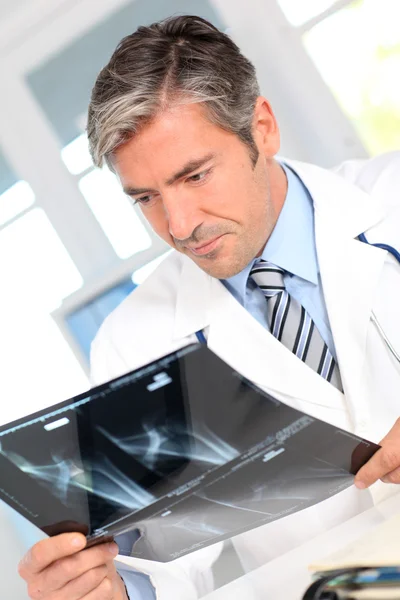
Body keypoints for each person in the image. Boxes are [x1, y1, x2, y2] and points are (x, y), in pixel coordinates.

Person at [18, 14, 400, 600]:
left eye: (195, 175)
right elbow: (158, 561)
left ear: (263, 129)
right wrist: (105, 590)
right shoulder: (133, 343)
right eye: (145, 198)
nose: (179, 225)